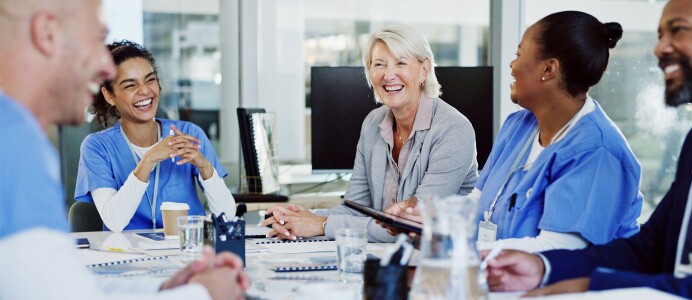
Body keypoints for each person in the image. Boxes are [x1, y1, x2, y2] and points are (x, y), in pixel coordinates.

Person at [484, 0, 692, 298]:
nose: (659, 48)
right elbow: (652, 247)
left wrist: (594, 286)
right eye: (661, 35)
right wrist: (544, 267)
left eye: (679, 30)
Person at [0, 0, 248, 299]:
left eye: (149, 80)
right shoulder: (13, 144)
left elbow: (59, 285)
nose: (105, 66)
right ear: (48, 33)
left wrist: (165, 287)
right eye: (95, 38)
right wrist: (202, 294)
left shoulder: (23, 137)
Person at [384, 11, 643, 253]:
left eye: (519, 55)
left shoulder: (596, 151)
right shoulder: (518, 127)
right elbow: (477, 205)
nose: (511, 65)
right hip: (504, 281)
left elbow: (557, 249)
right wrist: (423, 219)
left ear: (548, 69)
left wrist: (463, 250)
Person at [258, 24, 479, 242]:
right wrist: (297, 219)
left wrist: (321, 224)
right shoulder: (374, 123)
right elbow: (356, 208)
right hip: (387, 257)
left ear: (424, 70)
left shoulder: (454, 130)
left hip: (439, 263)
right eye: (379, 64)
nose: (388, 75)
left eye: (401, 63)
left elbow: (412, 226)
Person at [74, 41, 236, 232]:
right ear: (109, 96)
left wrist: (205, 167)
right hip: (126, 255)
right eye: (130, 85)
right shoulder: (97, 147)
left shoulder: (188, 135)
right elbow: (114, 222)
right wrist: (149, 159)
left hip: (186, 251)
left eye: (150, 80)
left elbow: (227, 215)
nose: (144, 91)